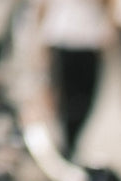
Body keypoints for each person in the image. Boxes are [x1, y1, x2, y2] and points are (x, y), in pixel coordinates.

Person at [34, 0, 113, 157]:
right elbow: (43, 8)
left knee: (87, 98)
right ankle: (66, 143)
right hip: (62, 39)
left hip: (90, 41)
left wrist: (109, 30)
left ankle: (72, 140)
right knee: (64, 98)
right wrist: (39, 43)